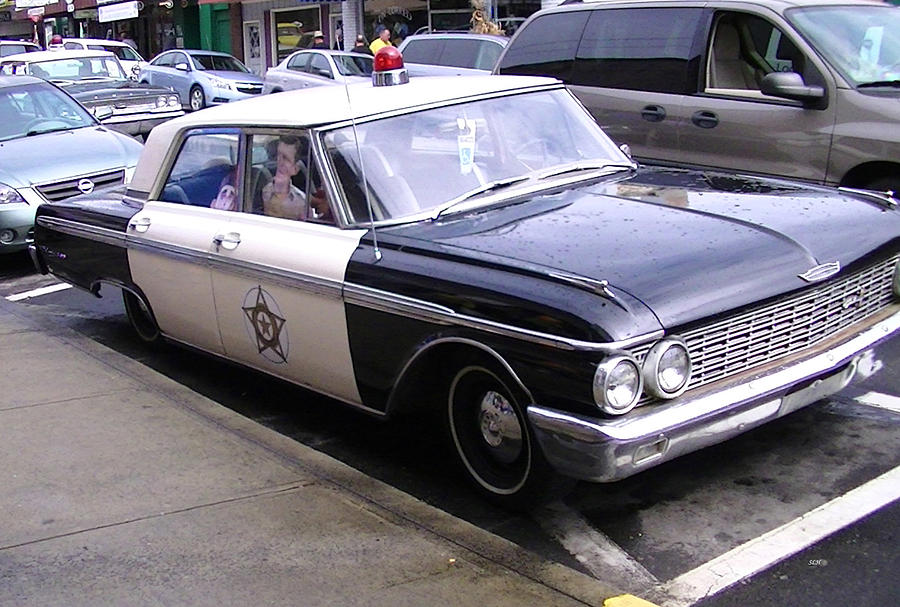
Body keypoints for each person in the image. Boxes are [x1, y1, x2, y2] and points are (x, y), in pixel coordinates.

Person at [260, 136, 307, 219]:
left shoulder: (302, 202)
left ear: (295, 169)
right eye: (278, 155)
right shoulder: (260, 191)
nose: (279, 162)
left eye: (285, 158)